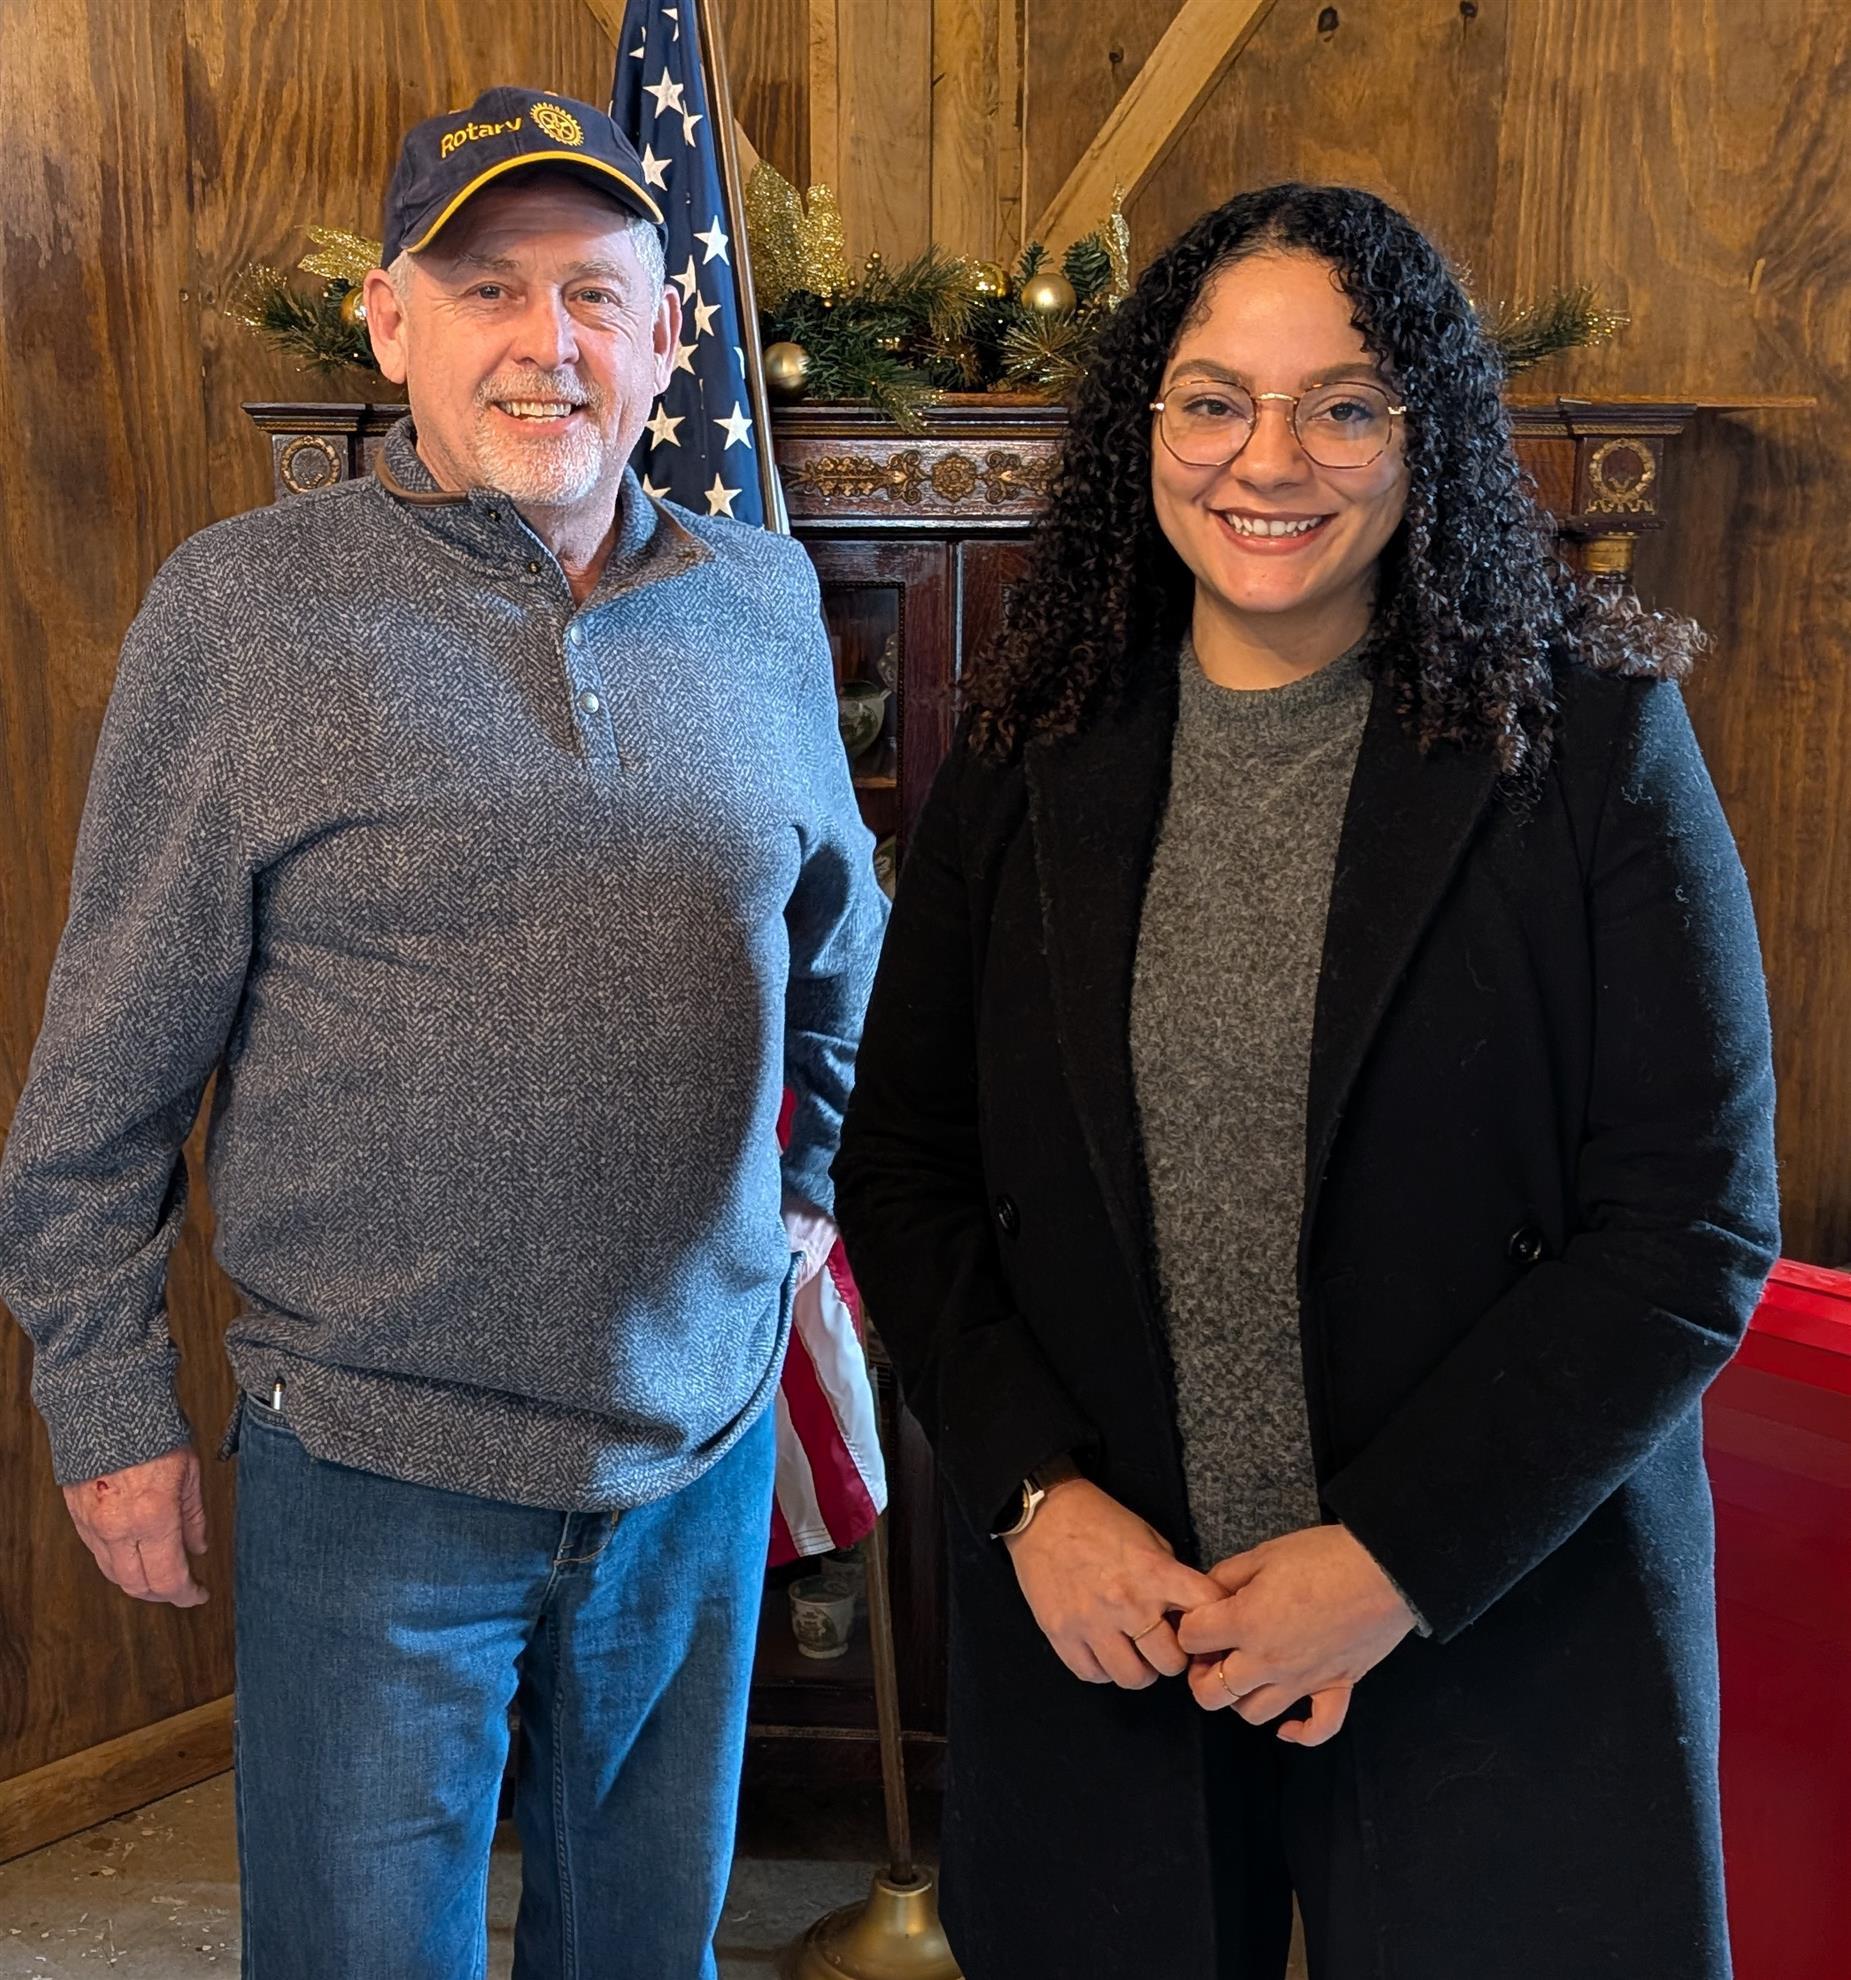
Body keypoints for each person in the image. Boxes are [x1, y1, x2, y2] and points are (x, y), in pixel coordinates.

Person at [832, 182, 1778, 1980]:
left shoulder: (1589, 742)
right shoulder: (1031, 746)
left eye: (1344, 405)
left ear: (1427, 438)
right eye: (1214, 401)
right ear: (1148, 429)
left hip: (1493, 1620)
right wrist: (1032, 1495)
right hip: (1118, 1625)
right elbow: (905, 1170)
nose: (1270, 458)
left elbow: (1688, 1232)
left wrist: (1395, 1560)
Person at [0, 86, 886, 1980]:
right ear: (390, 322)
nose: (543, 342)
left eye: (593, 293)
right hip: (374, 1467)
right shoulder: (240, 615)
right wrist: (107, 1405)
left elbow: (842, 960)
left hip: (697, 1458)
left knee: (644, 1957)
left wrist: (799, 1199)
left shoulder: (761, 599)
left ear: (668, 336)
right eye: (487, 288)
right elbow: (104, 1080)